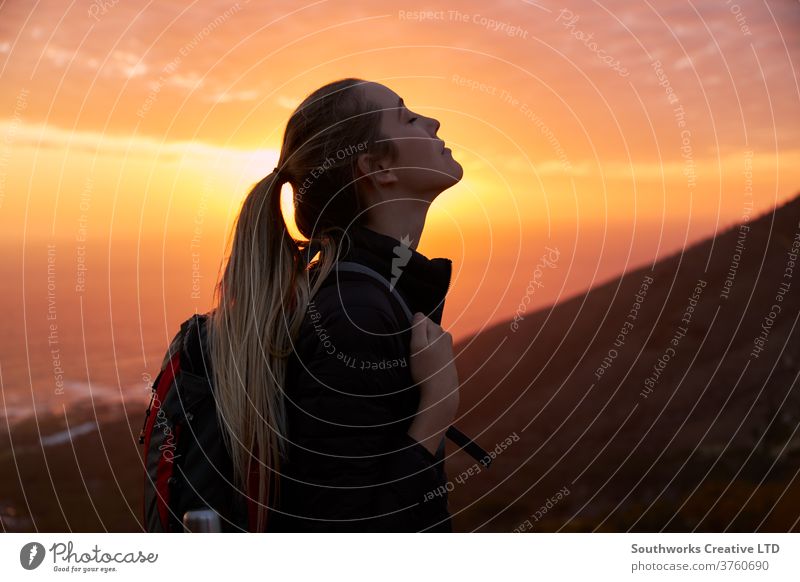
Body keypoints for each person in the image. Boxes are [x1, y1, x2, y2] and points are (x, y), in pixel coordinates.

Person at [206, 78, 464, 532]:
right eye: (406, 116)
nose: (433, 121)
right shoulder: (353, 315)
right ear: (378, 166)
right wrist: (436, 409)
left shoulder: (362, 295)